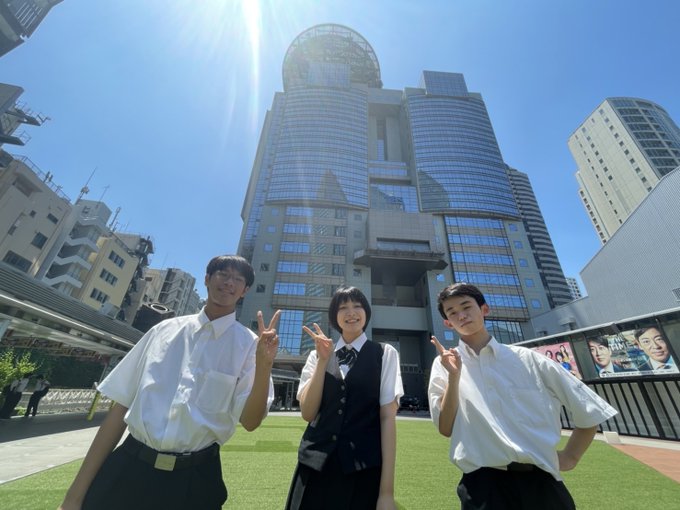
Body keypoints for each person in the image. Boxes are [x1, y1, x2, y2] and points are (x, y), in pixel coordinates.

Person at [58, 255, 280, 510]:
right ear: (207, 279)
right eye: (223, 274)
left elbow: (250, 422)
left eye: (238, 279)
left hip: (195, 479)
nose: (230, 282)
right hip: (130, 467)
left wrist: (264, 365)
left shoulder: (250, 346)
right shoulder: (162, 332)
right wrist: (72, 498)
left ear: (245, 290)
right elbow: (119, 410)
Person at [428, 283, 617, 510]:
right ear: (448, 323)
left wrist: (570, 457)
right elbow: (445, 427)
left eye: (466, 306)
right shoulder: (444, 364)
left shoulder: (529, 359)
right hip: (482, 486)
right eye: (452, 312)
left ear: (484, 309)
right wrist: (454, 377)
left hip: (541, 483)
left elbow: (589, 410)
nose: (461, 315)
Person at [285, 286, 403, 510]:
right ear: (334, 316)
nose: (351, 312)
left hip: (362, 470)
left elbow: (387, 418)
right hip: (314, 467)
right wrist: (323, 361)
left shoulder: (384, 353)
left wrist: (387, 493)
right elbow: (308, 413)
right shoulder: (316, 355)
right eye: (343, 308)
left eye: (357, 306)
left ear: (366, 312)